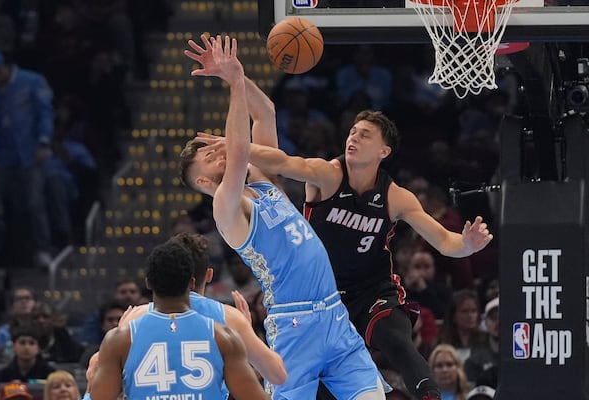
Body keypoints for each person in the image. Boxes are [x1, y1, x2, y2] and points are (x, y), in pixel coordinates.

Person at [197, 111, 493, 399]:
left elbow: (444, 240)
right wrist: (239, 148)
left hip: (371, 290)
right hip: (322, 295)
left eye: (365, 135)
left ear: (384, 150)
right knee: (325, 386)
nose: (354, 138)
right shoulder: (328, 175)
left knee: (394, 336)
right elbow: (284, 161)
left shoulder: (395, 196)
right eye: (353, 132)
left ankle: (430, 395)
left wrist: (468, 244)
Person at [180, 34, 385, 400]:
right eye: (210, 156)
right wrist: (234, 86)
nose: (221, 152)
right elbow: (241, 148)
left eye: (217, 146)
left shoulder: (262, 180)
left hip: (334, 314)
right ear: (201, 180)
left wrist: (237, 78)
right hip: (294, 324)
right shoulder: (226, 207)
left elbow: (266, 113)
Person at [90, 241, 270, 400]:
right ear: (191, 283)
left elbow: (99, 396)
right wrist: (245, 338)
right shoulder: (224, 335)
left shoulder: (120, 338)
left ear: (148, 283)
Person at [0, 51, 55, 268]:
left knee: (34, 203)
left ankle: (43, 249)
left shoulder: (32, 81)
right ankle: (4, 256)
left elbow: (45, 112)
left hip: (29, 155)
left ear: (6, 68)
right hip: (1, 158)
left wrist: (44, 143)